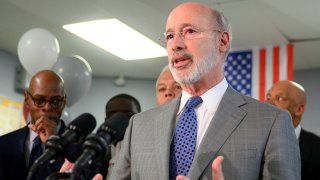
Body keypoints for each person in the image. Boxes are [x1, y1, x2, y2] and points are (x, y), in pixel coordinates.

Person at [110, 2, 300, 180]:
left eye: (189, 31)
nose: (176, 44)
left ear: (222, 41)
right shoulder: (139, 125)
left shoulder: (272, 122)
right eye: (169, 36)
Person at [0, 70, 68, 180]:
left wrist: (53, 143)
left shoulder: (83, 149)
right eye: (39, 100)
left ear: (64, 102)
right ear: (27, 99)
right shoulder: (3, 144)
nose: (47, 107)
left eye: (55, 101)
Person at [266, 80, 320, 180]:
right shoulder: (252, 143)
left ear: (299, 109)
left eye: (280, 98)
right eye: (268, 97)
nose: (268, 103)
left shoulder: (317, 148)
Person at [102, 94, 141, 179]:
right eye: (113, 115)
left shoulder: (151, 151)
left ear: (140, 118)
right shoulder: (96, 153)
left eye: (127, 114)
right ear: (106, 120)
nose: (119, 119)